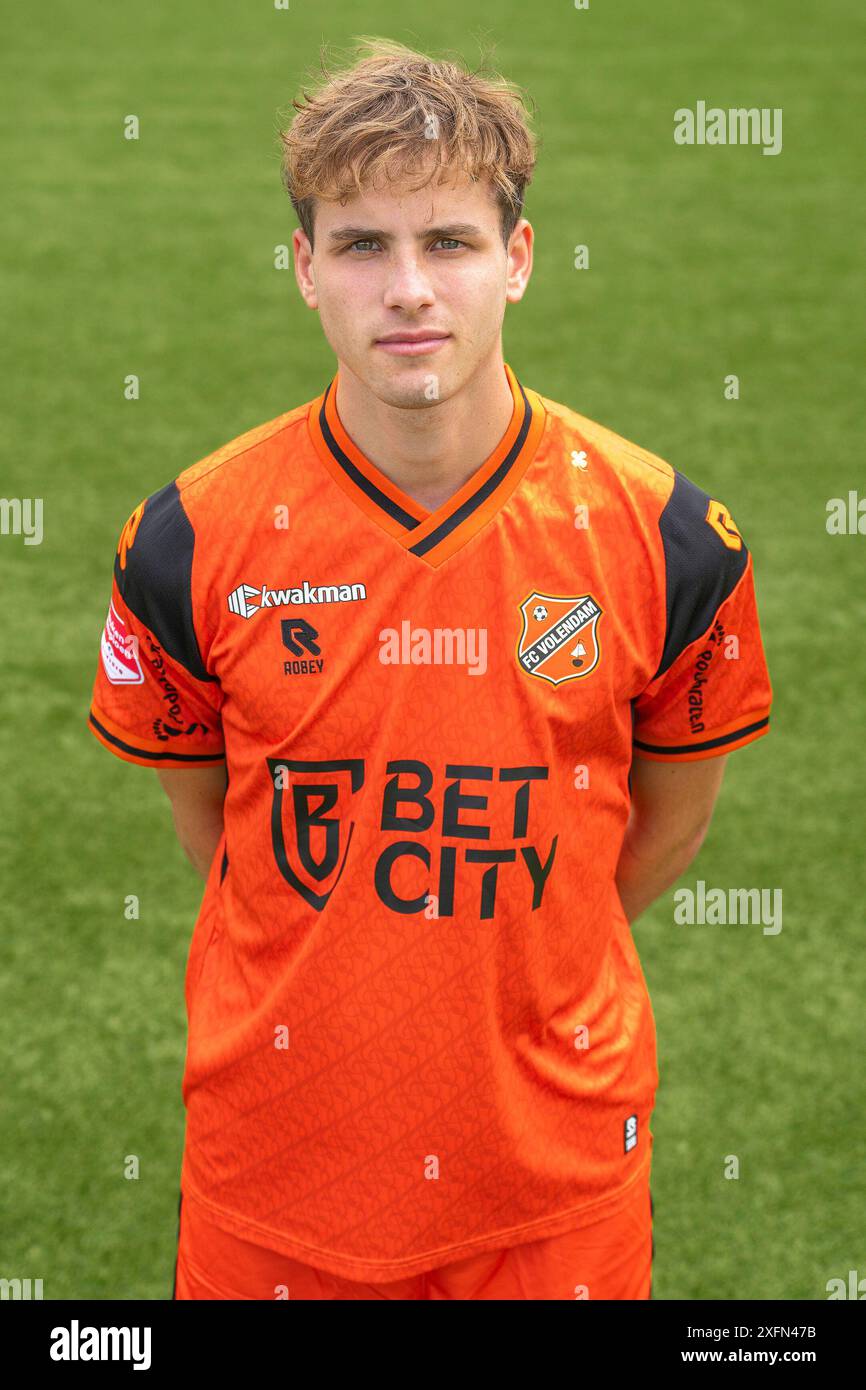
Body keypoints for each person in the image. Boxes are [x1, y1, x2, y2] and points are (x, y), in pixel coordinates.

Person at [87, 37, 772, 1300]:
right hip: (277, 1169)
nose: (408, 288)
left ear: (516, 259)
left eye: (448, 242)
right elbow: (220, 827)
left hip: (551, 1181)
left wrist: (518, 951)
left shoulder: (665, 536)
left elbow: (667, 817)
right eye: (360, 245)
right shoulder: (187, 539)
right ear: (303, 269)